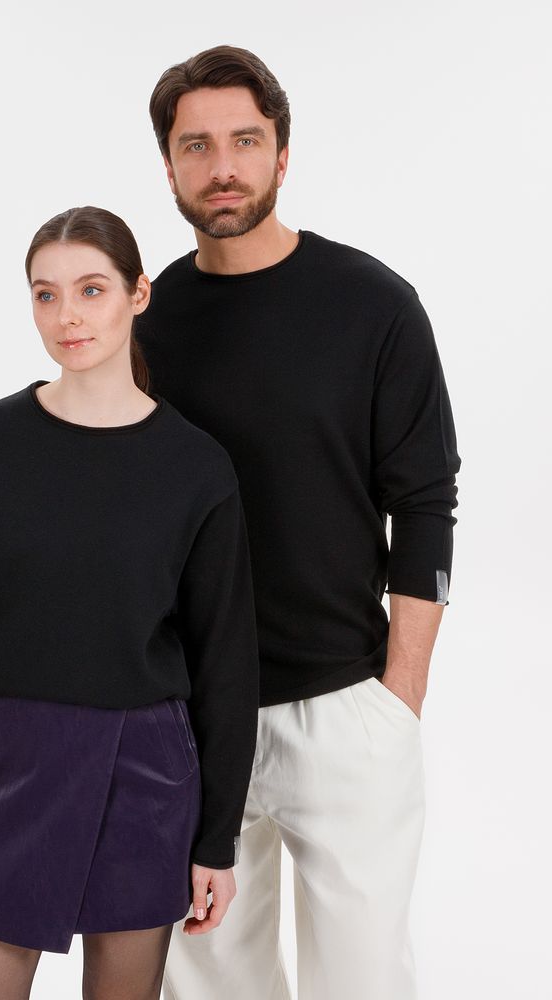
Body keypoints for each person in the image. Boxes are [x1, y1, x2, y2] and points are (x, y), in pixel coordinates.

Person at [134, 45, 461, 1000]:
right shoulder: (147, 322)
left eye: (245, 141)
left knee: (361, 981)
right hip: (192, 714)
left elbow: (426, 504)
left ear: (283, 154)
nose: (222, 166)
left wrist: (399, 697)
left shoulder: (375, 306)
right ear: (168, 167)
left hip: (345, 707)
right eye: (196, 146)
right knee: (210, 985)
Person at [0, 205, 260, 1000]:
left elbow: (226, 667)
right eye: (46, 294)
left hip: (148, 775)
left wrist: (217, 842)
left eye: (91, 289)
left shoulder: (196, 467)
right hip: (8, 772)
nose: (67, 315)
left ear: (139, 294)